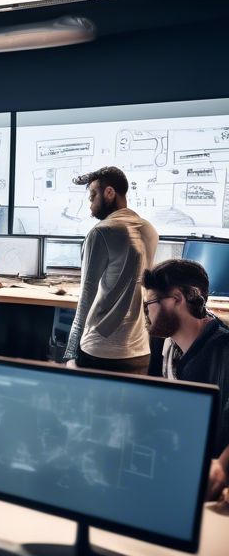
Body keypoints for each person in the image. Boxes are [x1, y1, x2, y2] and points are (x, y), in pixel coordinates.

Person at [63, 166, 158, 374]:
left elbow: (86, 298)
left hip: (101, 352)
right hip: (139, 352)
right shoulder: (150, 230)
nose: (90, 203)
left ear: (109, 193)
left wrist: (70, 353)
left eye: (93, 195)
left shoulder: (102, 232)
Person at [142, 259, 229, 458]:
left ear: (176, 298)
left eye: (150, 303)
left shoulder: (221, 354)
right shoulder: (164, 342)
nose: (147, 312)